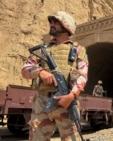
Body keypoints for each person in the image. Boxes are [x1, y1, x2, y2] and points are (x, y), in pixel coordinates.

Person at [21, 11, 89, 141]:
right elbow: (25, 70)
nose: (52, 24)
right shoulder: (42, 49)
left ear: (66, 26)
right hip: (42, 102)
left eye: (56, 22)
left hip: (66, 102)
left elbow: (82, 75)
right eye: (51, 22)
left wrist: (72, 95)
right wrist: (40, 72)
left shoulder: (78, 50)